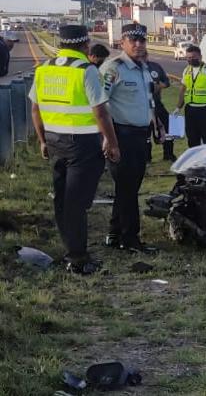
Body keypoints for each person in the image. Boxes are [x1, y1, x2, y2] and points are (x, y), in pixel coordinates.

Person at [29, 25, 121, 274]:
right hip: (83, 144)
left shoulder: (44, 68)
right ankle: (77, 259)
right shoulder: (85, 70)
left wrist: (42, 140)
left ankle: (70, 249)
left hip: (55, 141)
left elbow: (35, 109)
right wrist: (112, 143)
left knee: (63, 199)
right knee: (77, 203)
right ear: (86, 45)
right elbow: (100, 111)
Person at [101, 23, 157, 253]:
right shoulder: (113, 68)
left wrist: (157, 123)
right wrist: (108, 139)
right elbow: (100, 105)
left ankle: (115, 235)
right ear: (121, 42)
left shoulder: (142, 68)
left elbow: (147, 101)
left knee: (128, 188)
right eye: (132, 40)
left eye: (141, 40)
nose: (138, 44)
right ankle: (130, 239)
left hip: (139, 136)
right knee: (128, 189)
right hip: (121, 136)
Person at [175, 45, 206, 147]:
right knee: (192, 138)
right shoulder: (186, 70)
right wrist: (178, 107)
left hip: (205, 110)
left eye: (193, 57)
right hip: (190, 110)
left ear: (200, 56)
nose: (190, 60)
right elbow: (183, 90)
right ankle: (195, 160)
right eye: (188, 58)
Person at [143, 50, 175, 162]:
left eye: (144, 55)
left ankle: (169, 154)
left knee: (169, 127)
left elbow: (166, 82)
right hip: (142, 107)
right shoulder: (133, 68)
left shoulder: (155, 66)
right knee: (145, 133)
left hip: (157, 104)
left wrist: (159, 86)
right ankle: (146, 158)